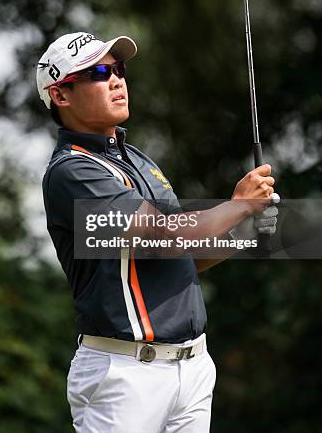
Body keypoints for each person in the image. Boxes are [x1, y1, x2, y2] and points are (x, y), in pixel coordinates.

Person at [37, 31, 278, 433]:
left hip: (193, 367)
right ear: (61, 95)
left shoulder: (140, 161)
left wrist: (249, 230)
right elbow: (162, 235)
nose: (116, 80)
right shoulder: (71, 172)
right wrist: (237, 205)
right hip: (126, 375)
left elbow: (182, 255)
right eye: (99, 72)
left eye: (119, 69)